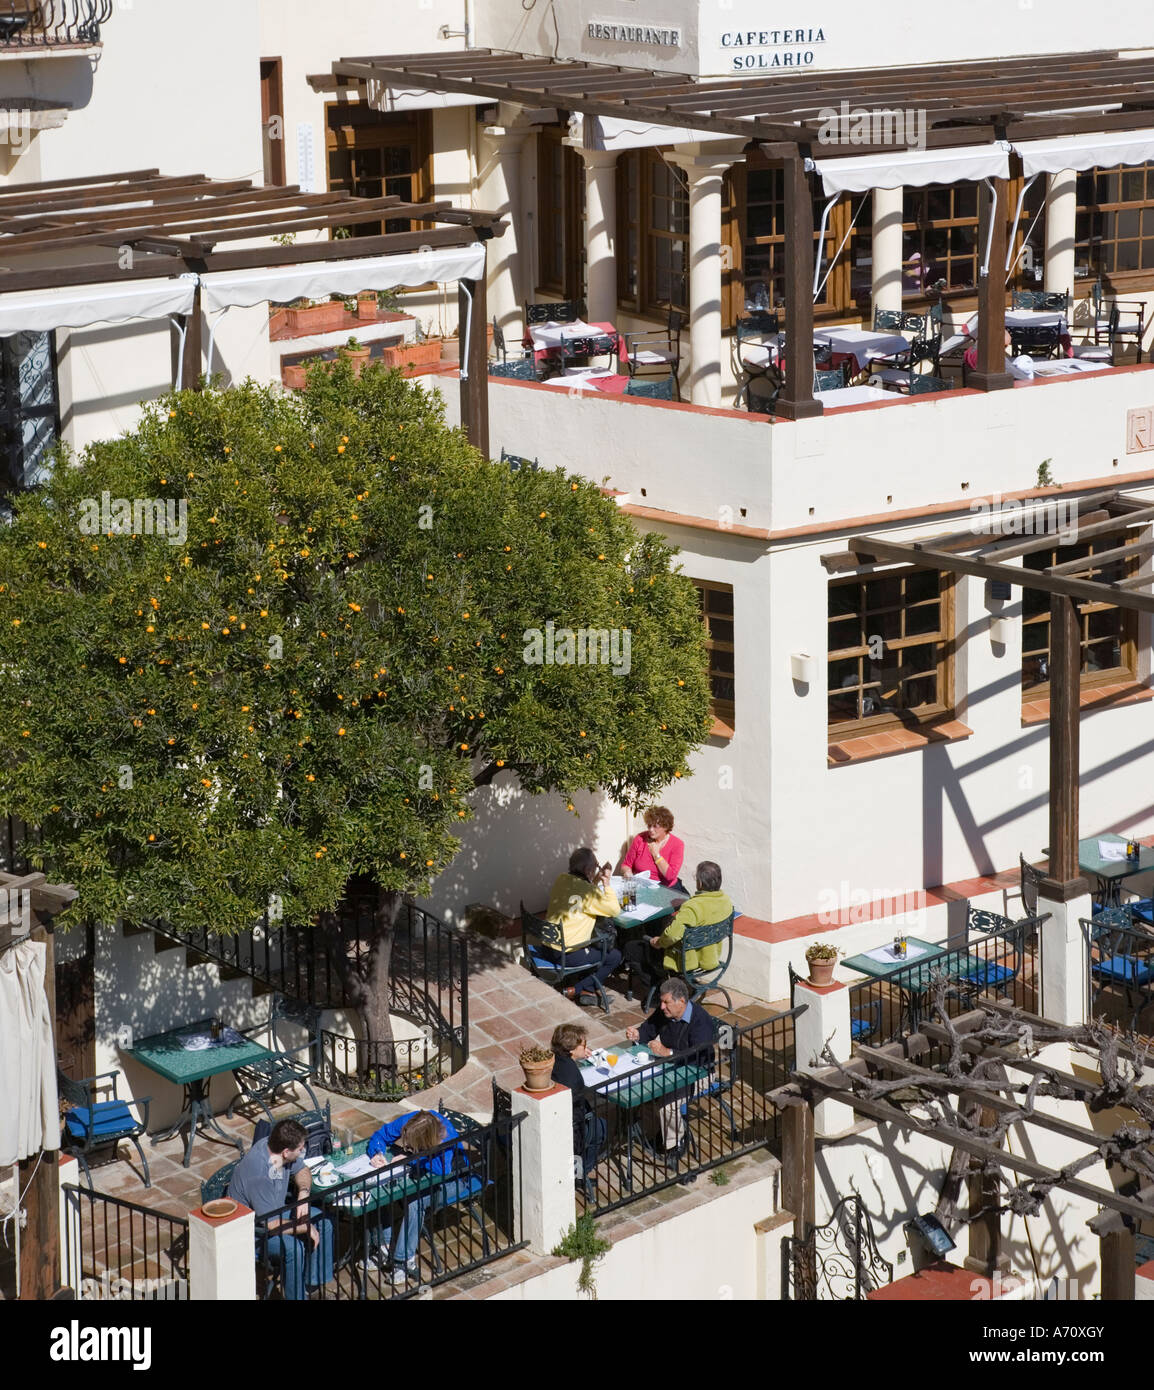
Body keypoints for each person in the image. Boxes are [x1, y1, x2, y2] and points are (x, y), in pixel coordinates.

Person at [228, 1117, 334, 1301]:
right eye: (300, 1149)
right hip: (254, 1231)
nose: (303, 1152)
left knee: (324, 1222)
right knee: (294, 1248)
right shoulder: (259, 1173)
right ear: (286, 1152)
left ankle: (312, 1286)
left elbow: (303, 1171)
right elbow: (272, 1225)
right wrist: (305, 1227)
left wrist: (303, 1194)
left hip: (275, 1211)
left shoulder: (275, 1149)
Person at [365, 1109, 473, 1284]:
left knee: (415, 1202)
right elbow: (381, 1135)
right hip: (422, 1172)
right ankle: (383, 1246)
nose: (406, 1144)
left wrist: (410, 1158)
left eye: (411, 1144)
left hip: (454, 1180)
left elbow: (441, 1169)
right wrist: (377, 1152)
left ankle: (403, 1261)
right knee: (382, 1188)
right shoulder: (412, 1122)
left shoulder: (444, 1136)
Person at [625, 977, 717, 1160]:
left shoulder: (700, 1021)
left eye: (666, 1002)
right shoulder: (666, 1014)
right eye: (661, 1002)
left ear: (681, 1001)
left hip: (698, 1072)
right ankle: (654, 1134)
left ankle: (675, 1144)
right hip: (671, 1068)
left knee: (668, 1106)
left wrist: (667, 1052)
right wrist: (637, 1034)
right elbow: (648, 1029)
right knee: (645, 1095)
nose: (661, 1007)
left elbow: (697, 1054)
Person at [623, 860, 733, 997]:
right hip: (710, 955)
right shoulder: (726, 901)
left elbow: (670, 936)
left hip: (687, 959)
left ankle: (658, 988)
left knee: (631, 947)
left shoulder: (693, 907)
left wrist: (658, 942)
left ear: (700, 883)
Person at [542, 847, 624, 1002]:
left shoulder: (561, 879)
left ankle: (587, 991)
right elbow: (614, 910)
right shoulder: (589, 892)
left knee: (595, 944)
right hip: (567, 954)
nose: (596, 869)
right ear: (588, 869)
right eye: (596, 866)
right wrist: (606, 884)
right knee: (614, 956)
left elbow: (579, 890)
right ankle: (578, 989)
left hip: (548, 946)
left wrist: (594, 880)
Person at [550, 1022, 607, 1189]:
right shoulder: (572, 1076)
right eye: (584, 1045)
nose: (586, 1047)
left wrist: (581, 1056)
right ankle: (579, 1175)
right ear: (571, 1049)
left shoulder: (557, 1059)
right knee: (602, 1128)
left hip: (560, 1115)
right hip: (573, 1125)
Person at [619, 806, 686, 891]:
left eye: (655, 826)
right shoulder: (640, 838)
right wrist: (627, 872)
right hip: (642, 887)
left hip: (666, 890)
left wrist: (656, 854)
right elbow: (626, 865)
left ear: (665, 826)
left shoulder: (677, 844)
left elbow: (670, 876)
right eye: (649, 825)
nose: (650, 829)